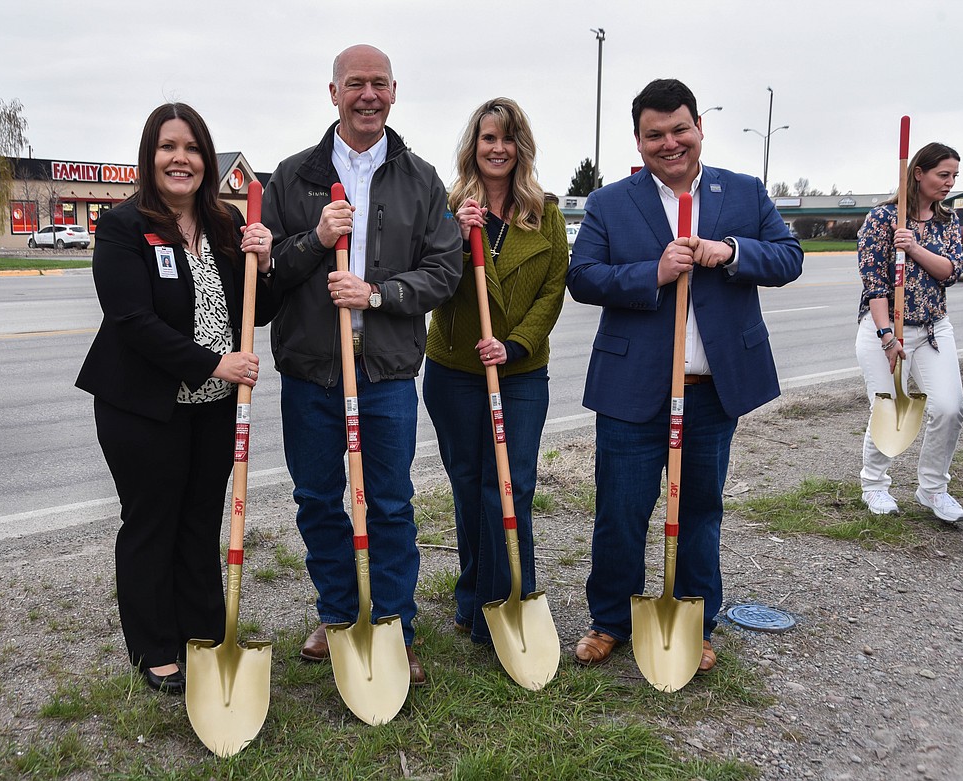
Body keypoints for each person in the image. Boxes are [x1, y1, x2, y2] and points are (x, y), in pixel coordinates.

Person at [566, 78, 803, 671]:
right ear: (639, 140)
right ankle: (611, 621)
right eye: (655, 135)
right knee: (620, 511)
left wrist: (730, 251)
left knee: (700, 510)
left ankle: (695, 621)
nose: (670, 143)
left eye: (680, 130)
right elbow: (584, 276)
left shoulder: (745, 194)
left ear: (699, 127)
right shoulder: (610, 203)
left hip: (711, 388)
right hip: (631, 389)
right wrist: (653, 271)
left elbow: (788, 257)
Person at [261, 44, 463, 686]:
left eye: (378, 84)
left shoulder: (421, 178)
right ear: (333, 93)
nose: (367, 95)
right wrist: (315, 242)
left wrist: (377, 295)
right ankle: (340, 614)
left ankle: (394, 627)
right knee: (319, 499)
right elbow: (264, 287)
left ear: (395, 92)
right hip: (311, 371)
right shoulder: (292, 178)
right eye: (355, 84)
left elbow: (444, 270)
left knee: (390, 503)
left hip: (386, 373)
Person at [75, 103, 277, 694]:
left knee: (198, 521)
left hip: (213, 407)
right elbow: (132, 320)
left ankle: (204, 633)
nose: (180, 158)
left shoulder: (223, 224)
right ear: (150, 156)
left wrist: (262, 266)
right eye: (168, 147)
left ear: (206, 159)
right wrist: (218, 363)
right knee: (151, 522)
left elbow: (255, 313)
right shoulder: (123, 226)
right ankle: (155, 647)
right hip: (142, 407)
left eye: (191, 148)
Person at [423, 97, 568, 646]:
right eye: (488, 138)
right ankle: (473, 600)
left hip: (521, 370)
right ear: (474, 146)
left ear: (521, 147)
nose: (498, 148)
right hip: (456, 369)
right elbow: (431, 283)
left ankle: (512, 595)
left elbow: (554, 289)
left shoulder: (545, 212)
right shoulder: (449, 208)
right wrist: (455, 242)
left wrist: (515, 345)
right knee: (470, 484)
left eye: (507, 139)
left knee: (510, 485)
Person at [856, 143, 963, 523]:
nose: (949, 183)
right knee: (887, 404)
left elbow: (951, 271)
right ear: (918, 172)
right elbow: (874, 284)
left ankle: (933, 489)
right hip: (883, 328)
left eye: (954, 176)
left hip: (934, 328)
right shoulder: (882, 218)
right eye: (943, 174)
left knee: (949, 408)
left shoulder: (946, 221)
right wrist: (887, 336)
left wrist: (914, 247)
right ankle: (874, 485)